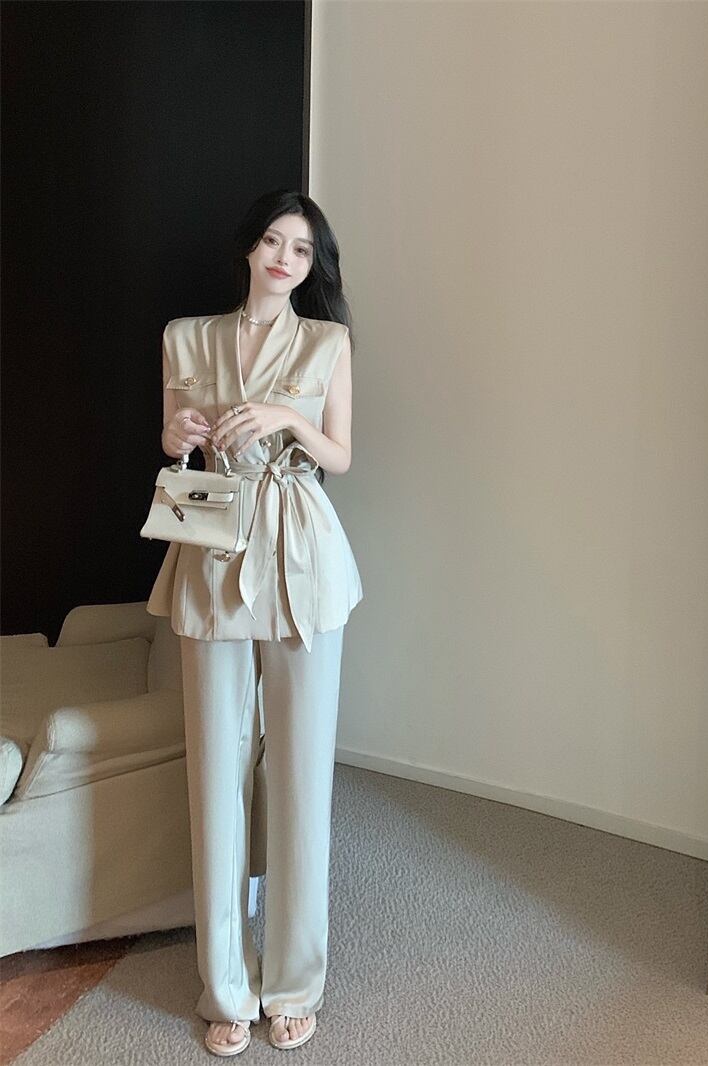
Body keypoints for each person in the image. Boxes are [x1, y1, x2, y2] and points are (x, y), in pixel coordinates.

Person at [145, 189, 364, 1055]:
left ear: (312, 266)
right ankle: (226, 987)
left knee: (303, 771)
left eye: (301, 249)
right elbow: (174, 439)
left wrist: (288, 418)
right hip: (213, 548)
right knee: (217, 769)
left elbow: (342, 453)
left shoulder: (328, 342)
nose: (283, 258)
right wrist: (178, 434)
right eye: (273, 241)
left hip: (302, 551)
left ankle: (295, 984)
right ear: (249, 248)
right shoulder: (186, 336)